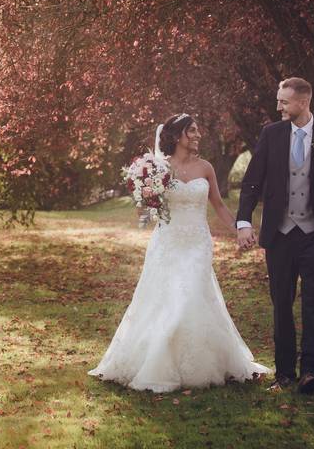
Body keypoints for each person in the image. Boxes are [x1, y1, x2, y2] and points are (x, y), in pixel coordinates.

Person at [88, 113, 268, 392]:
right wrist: (144, 193)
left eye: (197, 131)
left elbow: (219, 205)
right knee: (164, 299)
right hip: (167, 242)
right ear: (176, 136)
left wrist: (240, 229)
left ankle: (200, 363)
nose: (197, 135)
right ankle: (158, 362)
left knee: (192, 295)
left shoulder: (206, 167)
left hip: (197, 242)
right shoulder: (157, 168)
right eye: (192, 131)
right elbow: (146, 213)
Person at [236, 77, 314, 394]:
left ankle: (311, 373)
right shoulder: (271, 134)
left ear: (303, 102)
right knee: (281, 304)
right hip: (280, 233)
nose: (278, 106)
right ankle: (285, 372)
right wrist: (243, 221)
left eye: (284, 101)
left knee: (313, 302)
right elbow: (252, 180)